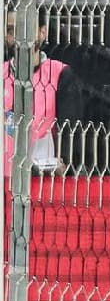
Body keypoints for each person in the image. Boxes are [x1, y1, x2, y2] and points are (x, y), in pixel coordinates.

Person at [4, 9, 83, 176]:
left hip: (42, 181)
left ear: (42, 33)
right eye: (11, 31)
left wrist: (63, 163)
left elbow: (70, 135)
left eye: (26, 29)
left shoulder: (61, 74)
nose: (20, 38)